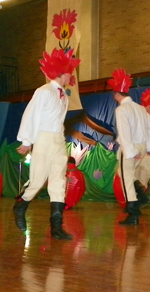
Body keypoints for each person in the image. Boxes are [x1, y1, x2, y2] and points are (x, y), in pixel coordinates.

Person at [13, 48, 81, 240]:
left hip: (58, 140)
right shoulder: (43, 92)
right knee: (37, 180)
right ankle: (20, 205)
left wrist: (61, 140)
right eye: (70, 72)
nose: (71, 76)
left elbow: (58, 121)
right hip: (43, 139)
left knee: (59, 181)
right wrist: (27, 141)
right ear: (62, 72)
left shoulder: (64, 97)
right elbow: (31, 115)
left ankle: (57, 227)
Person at [108, 68, 150, 225]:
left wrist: (130, 151)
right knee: (129, 175)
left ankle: (133, 212)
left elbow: (124, 133)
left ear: (117, 94)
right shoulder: (139, 108)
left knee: (126, 178)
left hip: (131, 147)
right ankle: (139, 199)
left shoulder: (121, 109)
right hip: (142, 146)